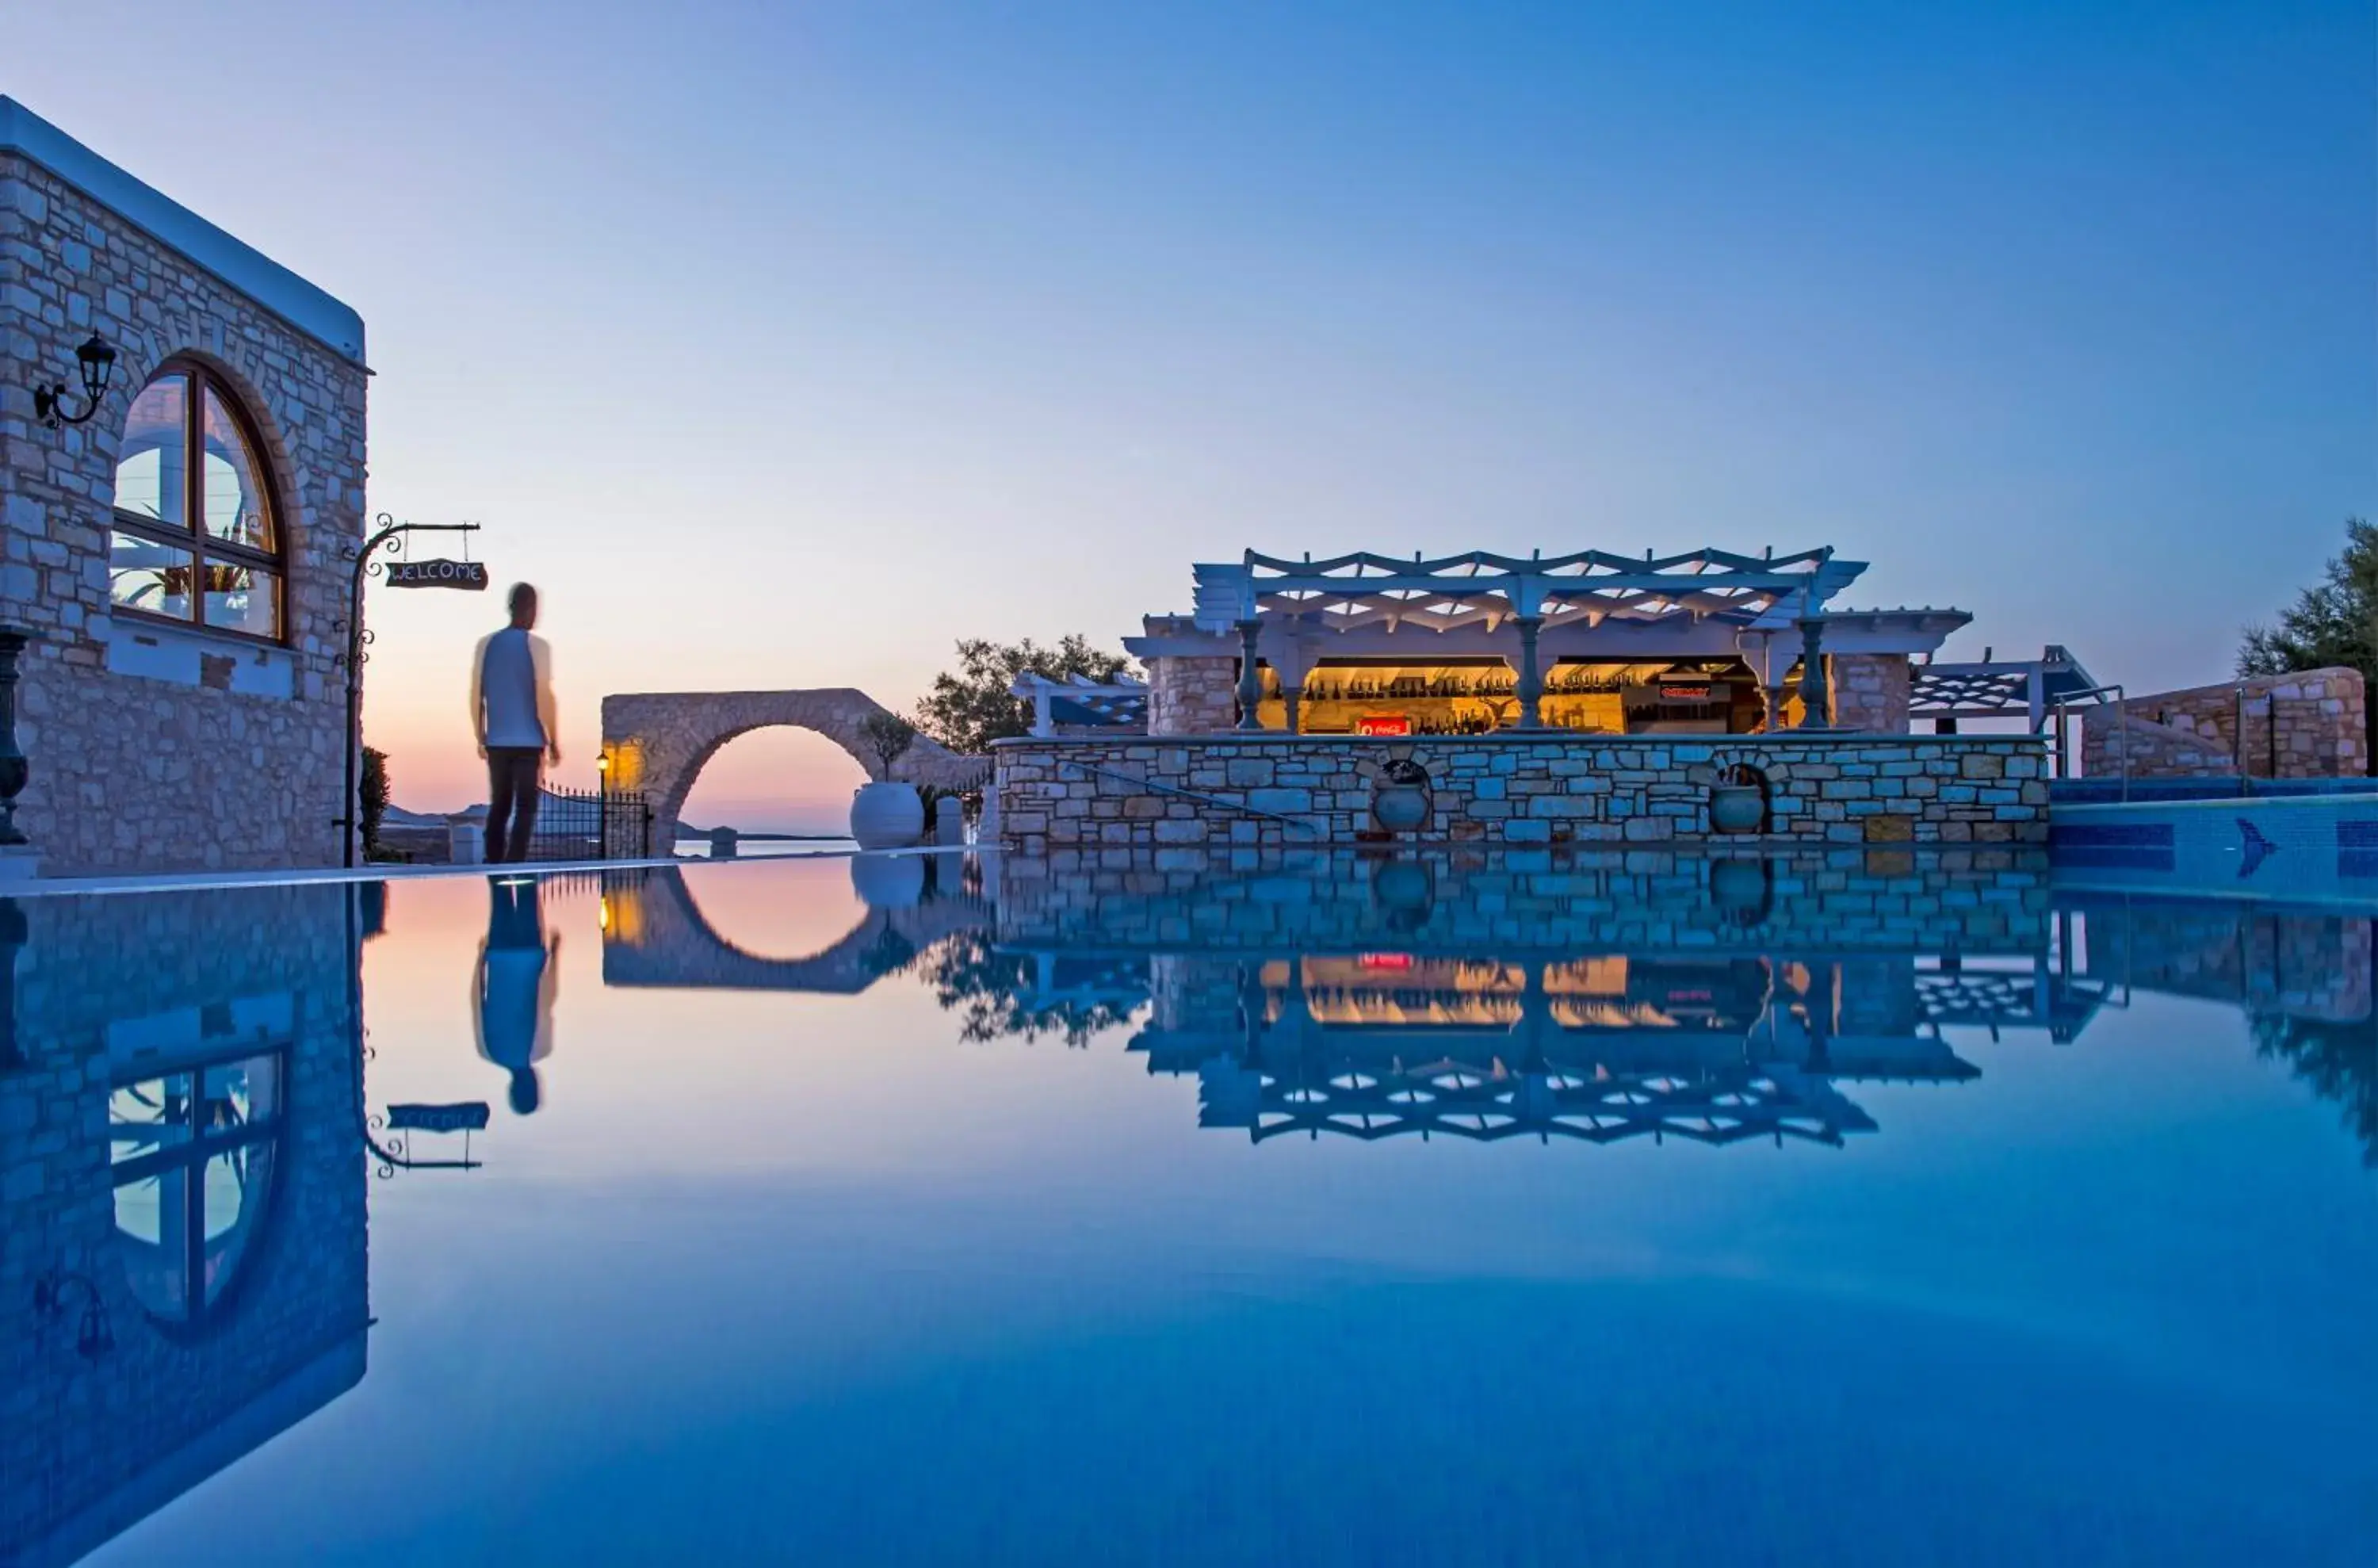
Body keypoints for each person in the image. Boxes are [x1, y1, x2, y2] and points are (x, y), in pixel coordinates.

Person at [469, 583, 560, 863]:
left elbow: (477, 693)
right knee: (525, 807)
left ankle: (494, 862)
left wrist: (480, 734)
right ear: (530, 608)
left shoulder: (488, 644)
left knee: (500, 805)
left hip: (497, 740)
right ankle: (515, 863)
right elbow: (544, 694)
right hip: (529, 742)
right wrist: (554, 739)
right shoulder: (538, 647)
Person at [475, 875, 559, 1115]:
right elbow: (476, 1004)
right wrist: (480, 961)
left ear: (535, 1086)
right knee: (499, 890)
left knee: (527, 888)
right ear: (511, 1089)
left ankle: (516, 845)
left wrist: (555, 956)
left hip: (529, 956)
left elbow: (545, 1000)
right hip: (499, 956)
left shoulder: (540, 1049)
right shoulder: (489, 1051)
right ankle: (496, 846)